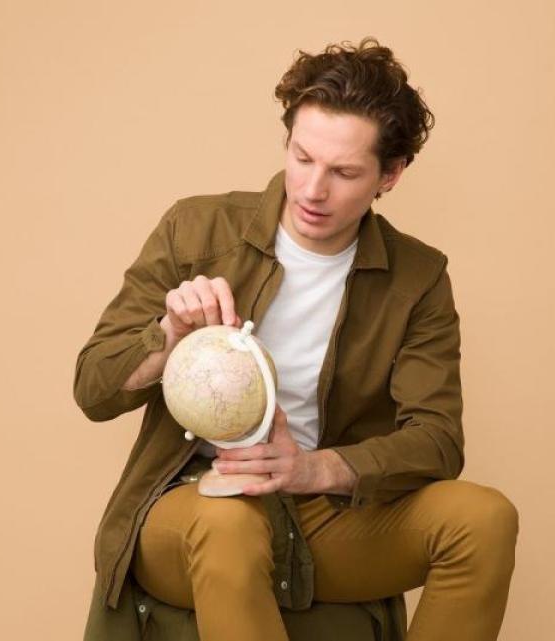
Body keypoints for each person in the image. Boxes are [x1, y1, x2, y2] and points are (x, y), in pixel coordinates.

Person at [73, 37, 519, 641]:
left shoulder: (419, 277)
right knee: (229, 527)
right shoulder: (196, 228)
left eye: (344, 172)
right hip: (190, 505)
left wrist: (312, 471)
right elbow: (93, 389)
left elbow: (438, 441)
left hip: (322, 511)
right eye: (302, 157)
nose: (313, 190)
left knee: (485, 519)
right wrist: (167, 334)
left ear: (390, 175)